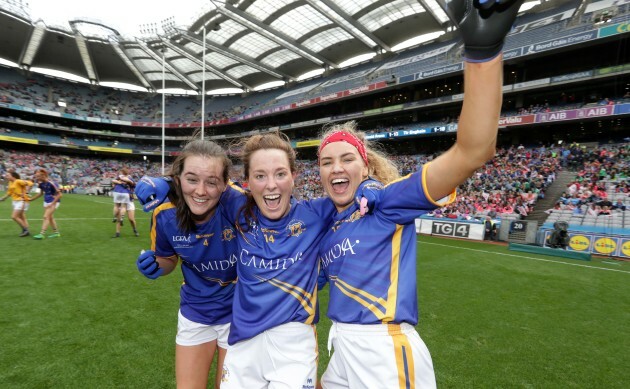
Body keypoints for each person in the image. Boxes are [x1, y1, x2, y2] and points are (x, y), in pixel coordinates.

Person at [316, 0, 522, 386]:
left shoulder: (388, 201)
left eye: (346, 159)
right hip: (341, 346)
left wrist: (482, 54)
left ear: (366, 166)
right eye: (326, 162)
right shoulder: (330, 222)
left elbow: (473, 151)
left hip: (384, 352)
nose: (336, 168)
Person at [218, 132, 337, 388]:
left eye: (280, 173)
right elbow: (198, 180)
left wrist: (369, 183)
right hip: (243, 343)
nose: (271, 184)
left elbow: (354, 190)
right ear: (247, 181)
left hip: (293, 343)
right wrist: (164, 186)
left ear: (294, 176)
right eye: (260, 176)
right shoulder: (237, 207)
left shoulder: (317, 213)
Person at [135, 139, 239, 389]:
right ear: (179, 178)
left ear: (224, 184)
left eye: (211, 182)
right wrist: (157, 265)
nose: (201, 191)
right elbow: (168, 259)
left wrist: (170, 182)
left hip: (239, 315)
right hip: (196, 311)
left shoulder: (236, 203)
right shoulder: (164, 214)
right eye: (191, 179)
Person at [29, 168, 62, 239]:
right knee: (50, 217)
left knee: (46, 216)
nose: (36, 178)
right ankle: (56, 233)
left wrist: (52, 203)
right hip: (46, 201)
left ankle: (42, 234)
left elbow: (60, 195)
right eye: (36, 177)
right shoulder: (40, 184)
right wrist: (31, 199)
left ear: (43, 176)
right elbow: (40, 193)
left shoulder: (52, 183)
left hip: (54, 201)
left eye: (38, 177)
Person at [0, 170, 33, 237]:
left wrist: (27, 192)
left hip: (22, 200)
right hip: (15, 201)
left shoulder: (18, 181)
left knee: (14, 216)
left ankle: (25, 230)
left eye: (8, 175)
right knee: (22, 217)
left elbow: (30, 183)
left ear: (13, 176)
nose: (7, 177)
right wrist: (2, 198)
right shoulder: (10, 182)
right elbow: (9, 193)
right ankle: (26, 230)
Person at [110, 168, 138, 237]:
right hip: (123, 198)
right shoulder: (120, 177)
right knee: (119, 217)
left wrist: (123, 180)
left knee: (131, 219)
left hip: (129, 200)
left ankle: (135, 229)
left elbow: (133, 185)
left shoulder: (130, 179)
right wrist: (117, 182)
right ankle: (117, 233)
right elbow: (113, 182)